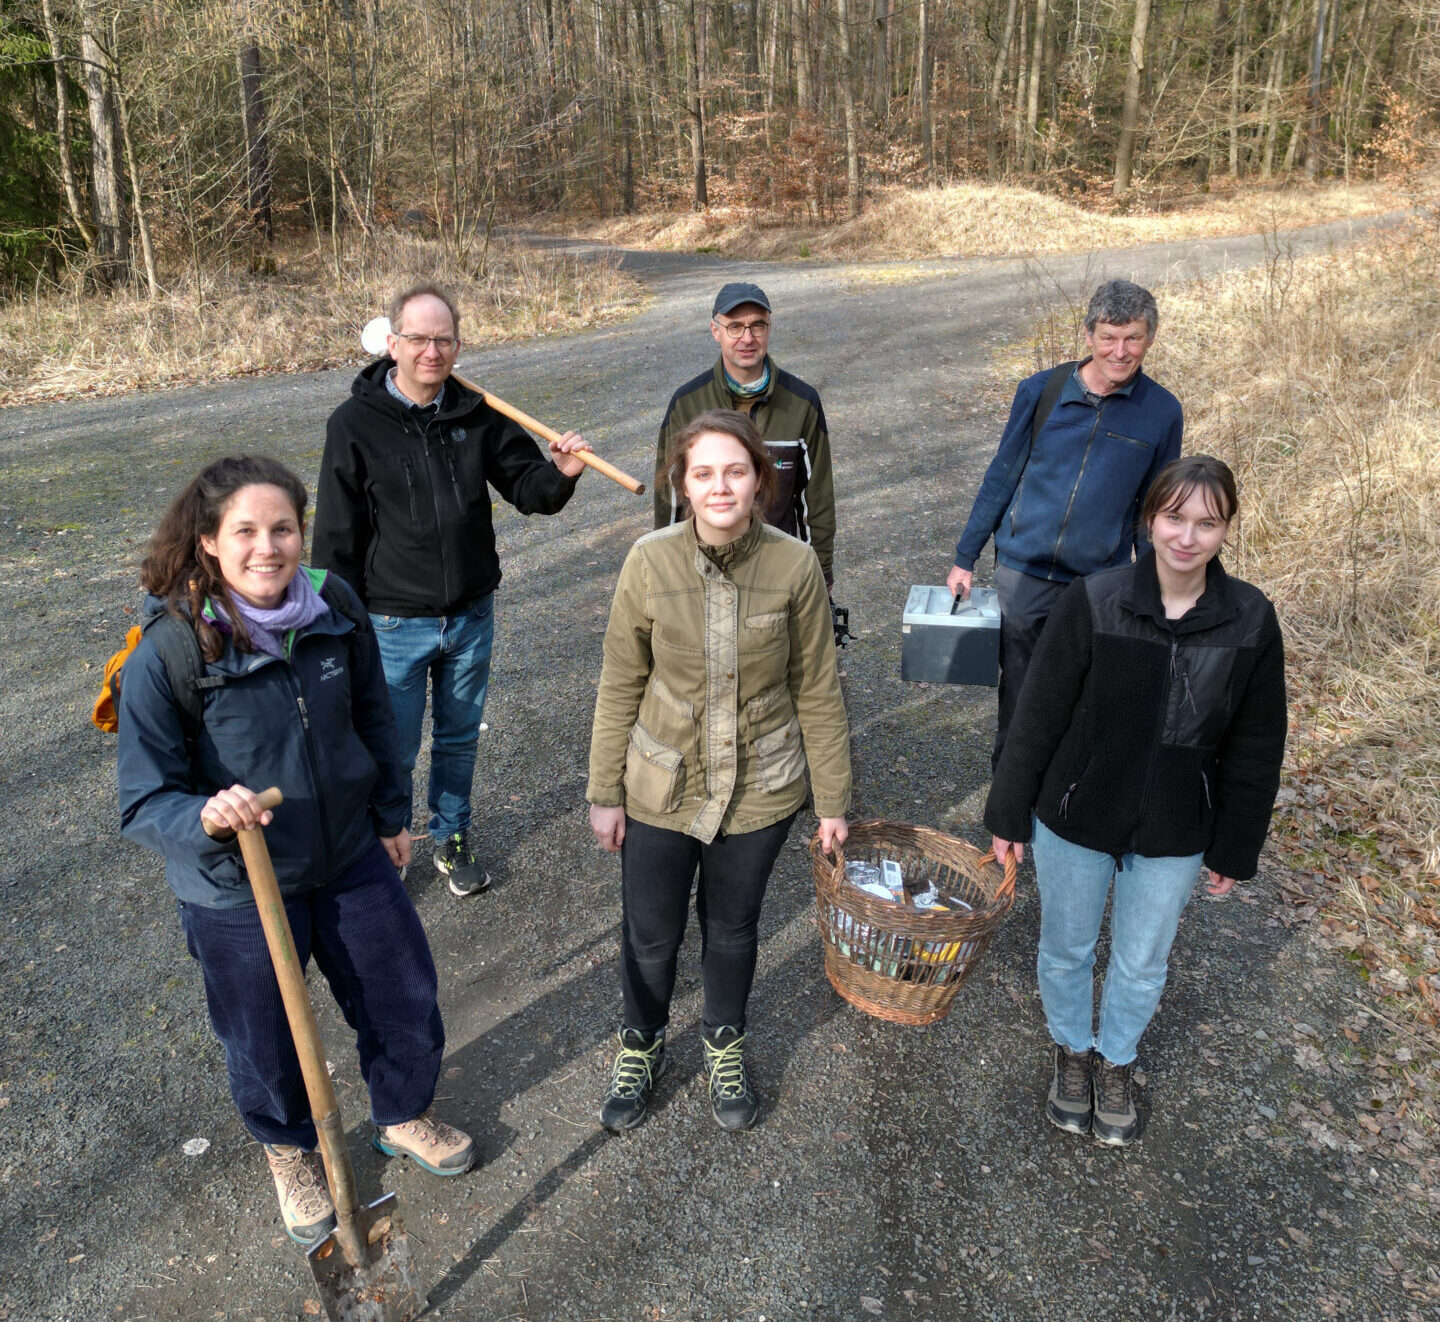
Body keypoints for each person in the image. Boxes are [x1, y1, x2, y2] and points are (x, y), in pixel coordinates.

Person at [117, 456, 476, 1248]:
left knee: (401, 992)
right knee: (263, 1037)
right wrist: (205, 814)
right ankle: (289, 1151)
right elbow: (143, 799)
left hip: (348, 853)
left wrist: (390, 813)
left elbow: (374, 714)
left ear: (301, 532)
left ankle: (402, 1113)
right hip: (237, 885)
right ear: (209, 541)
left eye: (282, 528)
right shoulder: (171, 651)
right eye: (244, 531)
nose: (267, 547)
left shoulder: (332, 605)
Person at [984, 455, 1287, 1147]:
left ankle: (1115, 1059)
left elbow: (1256, 745)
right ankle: (1071, 1050)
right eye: (1175, 518)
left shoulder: (1249, 620)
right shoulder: (1095, 600)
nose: (1188, 536)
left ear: (1227, 530)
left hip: (1175, 829)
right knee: (1067, 948)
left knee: (1143, 961)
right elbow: (1038, 715)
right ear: (1149, 519)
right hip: (1077, 815)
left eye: (1207, 523)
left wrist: (1235, 846)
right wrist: (1008, 813)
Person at [589, 409, 852, 1133]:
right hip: (661, 786)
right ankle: (641, 1043)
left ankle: (723, 1041)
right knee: (651, 933)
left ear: (760, 480)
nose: (720, 487)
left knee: (732, 928)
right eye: (703, 473)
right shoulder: (649, 561)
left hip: (761, 787)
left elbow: (817, 688)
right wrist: (605, 792)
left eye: (736, 471)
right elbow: (620, 682)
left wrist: (833, 801)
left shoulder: (795, 566)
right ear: (683, 484)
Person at [313, 283, 592, 897]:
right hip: (392, 623)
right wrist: (337, 625)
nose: (431, 351)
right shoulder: (353, 424)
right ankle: (385, 841)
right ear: (393, 344)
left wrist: (561, 473)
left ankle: (451, 835)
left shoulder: (477, 413)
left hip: (470, 616)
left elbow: (530, 491)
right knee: (392, 746)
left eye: (443, 340)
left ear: (458, 346)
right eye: (418, 339)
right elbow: (335, 538)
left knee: (459, 739)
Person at [946, 279, 1183, 767]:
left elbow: (1154, 510)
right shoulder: (1041, 391)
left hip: (1097, 583)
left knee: (1084, 698)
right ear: (1088, 334)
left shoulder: (1161, 413)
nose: (1120, 352)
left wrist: (1156, 584)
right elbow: (1001, 476)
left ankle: (1062, 797)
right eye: (1108, 337)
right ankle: (1011, 797)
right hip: (1022, 576)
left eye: (1133, 338)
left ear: (1150, 339)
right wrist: (964, 557)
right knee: (1020, 697)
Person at [655, 282, 836, 589]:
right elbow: (669, 500)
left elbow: (816, 500)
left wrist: (820, 573)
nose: (747, 338)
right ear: (716, 331)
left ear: (769, 329)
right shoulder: (687, 403)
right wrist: (668, 572)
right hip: (703, 572)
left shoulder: (802, 403)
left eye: (757, 326)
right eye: (735, 327)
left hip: (778, 571)